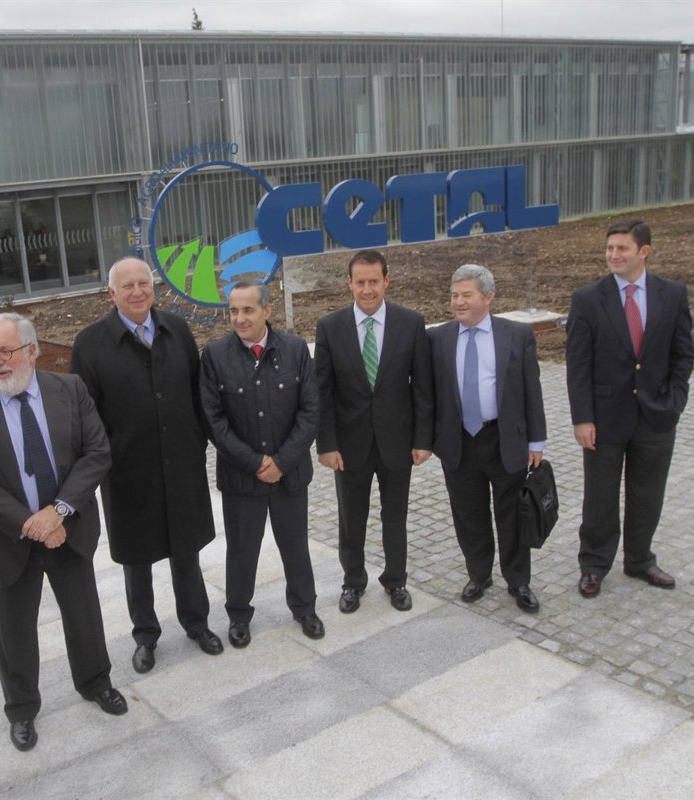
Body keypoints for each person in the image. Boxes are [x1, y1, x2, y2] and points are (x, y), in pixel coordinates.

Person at [0, 313, 126, 754]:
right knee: (14, 630)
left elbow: (96, 453)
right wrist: (33, 523)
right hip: (10, 540)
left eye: (6, 351)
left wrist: (58, 512)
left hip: (69, 531)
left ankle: (96, 681)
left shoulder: (70, 390)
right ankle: (22, 708)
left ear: (32, 351)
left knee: (84, 615)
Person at [70, 257, 223, 674]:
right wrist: (109, 459)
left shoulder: (177, 330)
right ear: (111, 293)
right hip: (128, 474)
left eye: (144, 283)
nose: (138, 291)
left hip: (181, 466)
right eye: (128, 286)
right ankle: (145, 635)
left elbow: (197, 392)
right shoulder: (90, 344)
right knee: (136, 562)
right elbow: (85, 417)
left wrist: (197, 443)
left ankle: (197, 622)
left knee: (186, 552)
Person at [567, 219, 694, 597]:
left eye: (622, 248)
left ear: (644, 252)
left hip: (656, 415)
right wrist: (583, 418)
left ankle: (640, 560)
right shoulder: (587, 299)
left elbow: (683, 354)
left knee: (647, 494)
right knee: (600, 497)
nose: (614, 255)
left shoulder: (673, 294)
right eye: (610, 248)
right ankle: (594, 565)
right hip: (604, 419)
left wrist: (675, 400)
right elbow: (578, 365)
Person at [199, 282, 324, 647]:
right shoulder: (214, 356)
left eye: (248, 310)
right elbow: (213, 420)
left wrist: (282, 462)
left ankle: (305, 608)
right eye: (233, 311)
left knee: (296, 547)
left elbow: (310, 411)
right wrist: (255, 462)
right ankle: (239, 616)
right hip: (241, 477)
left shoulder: (295, 349)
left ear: (267, 311)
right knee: (241, 551)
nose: (239, 318)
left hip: (289, 475)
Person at [315, 249, 434, 614]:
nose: (367, 290)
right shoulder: (329, 327)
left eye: (373, 281)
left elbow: (422, 388)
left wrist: (423, 439)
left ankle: (396, 580)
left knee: (395, 517)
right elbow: (323, 392)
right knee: (351, 519)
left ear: (387, 280)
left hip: (398, 441)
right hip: (349, 446)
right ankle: (353, 582)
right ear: (348, 283)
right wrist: (327, 444)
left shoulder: (410, 323)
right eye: (360, 282)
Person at [428, 265, 547, 613]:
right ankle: (478, 574)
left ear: (488, 296)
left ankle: (518, 580)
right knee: (469, 513)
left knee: (512, 514)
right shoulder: (438, 338)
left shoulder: (516, 335)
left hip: (504, 439)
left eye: (467, 295)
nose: (458, 302)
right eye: (454, 295)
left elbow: (532, 389)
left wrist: (536, 441)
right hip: (459, 441)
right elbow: (427, 393)